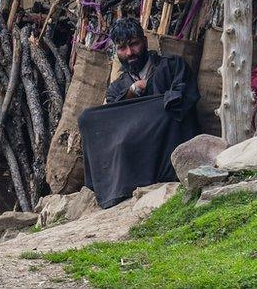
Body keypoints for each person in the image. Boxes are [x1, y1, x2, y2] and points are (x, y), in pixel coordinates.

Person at [78, 17, 200, 208]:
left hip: (166, 140)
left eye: (134, 45)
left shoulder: (172, 66)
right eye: (122, 48)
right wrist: (133, 90)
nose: (129, 53)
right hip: (136, 144)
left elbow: (182, 101)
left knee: (166, 109)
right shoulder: (117, 88)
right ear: (116, 51)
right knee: (87, 118)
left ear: (145, 41)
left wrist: (151, 91)